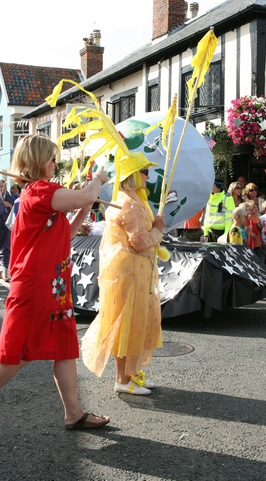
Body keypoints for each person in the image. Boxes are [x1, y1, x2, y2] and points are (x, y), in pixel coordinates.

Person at [0, 135, 109, 436]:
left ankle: (73, 412)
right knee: (17, 354)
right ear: (39, 160)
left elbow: (68, 231)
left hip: (52, 286)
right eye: (52, 158)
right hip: (37, 287)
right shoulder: (40, 191)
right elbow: (85, 195)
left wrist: (81, 206)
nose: (56, 163)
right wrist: (98, 179)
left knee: (64, 348)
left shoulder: (40, 193)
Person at [81, 162, 166, 396]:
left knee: (137, 321)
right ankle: (122, 378)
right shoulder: (128, 202)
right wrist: (158, 228)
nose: (148, 177)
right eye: (145, 172)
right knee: (126, 322)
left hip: (136, 270)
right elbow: (138, 242)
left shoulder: (133, 198)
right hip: (128, 271)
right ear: (134, 175)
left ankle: (130, 373)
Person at [0, 179, 18, 280]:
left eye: (3, 186)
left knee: (6, 249)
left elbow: (16, 213)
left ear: (5, 187)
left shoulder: (10, 199)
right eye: (0, 186)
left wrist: (10, 206)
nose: (1, 188)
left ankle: (5, 272)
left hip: (7, 227)